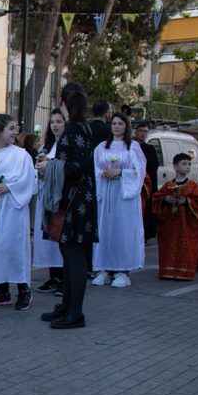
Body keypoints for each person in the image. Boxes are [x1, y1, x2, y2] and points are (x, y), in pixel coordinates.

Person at [36, 82, 97, 329]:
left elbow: (79, 166)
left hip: (74, 200)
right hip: (77, 198)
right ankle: (67, 306)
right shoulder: (83, 127)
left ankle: (75, 312)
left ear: (63, 103)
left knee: (74, 255)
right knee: (69, 254)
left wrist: (48, 166)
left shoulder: (74, 129)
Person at [0, 114, 36, 310]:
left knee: (13, 247)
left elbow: (29, 180)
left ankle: (23, 289)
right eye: (11, 128)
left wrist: (8, 187)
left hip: (13, 209)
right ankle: (3, 291)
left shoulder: (21, 155)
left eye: (16, 128)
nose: (16, 132)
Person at [91, 112, 146, 289]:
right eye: (114, 123)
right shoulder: (101, 147)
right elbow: (95, 168)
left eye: (120, 123)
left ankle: (123, 270)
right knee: (105, 230)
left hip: (124, 194)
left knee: (123, 230)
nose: (116, 126)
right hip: (106, 192)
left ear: (126, 126)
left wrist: (121, 172)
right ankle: (103, 268)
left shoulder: (133, 147)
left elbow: (140, 171)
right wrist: (103, 174)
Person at [152, 153, 198, 281]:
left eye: (189, 164)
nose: (187, 167)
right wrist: (165, 199)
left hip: (186, 224)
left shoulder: (193, 186)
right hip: (170, 224)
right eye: (184, 164)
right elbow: (156, 199)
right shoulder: (168, 185)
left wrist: (186, 202)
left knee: (186, 247)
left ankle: (184, 273)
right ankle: (167, 271)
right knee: (169, 246)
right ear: (175, 167)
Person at [33, 109, 65, 294]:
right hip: (46, 195)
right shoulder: (45, 147)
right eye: (52, 121)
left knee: (58, 234)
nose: (55, 125)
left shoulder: (67, 147)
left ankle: (63, 277)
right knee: (47, 236)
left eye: (59, 121)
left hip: (60, 198)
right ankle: (53, 276)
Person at [135, 123, 159, 240]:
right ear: (136, 132)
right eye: (141, 130)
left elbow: (153, 166)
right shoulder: (131, 146)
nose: (143, 133)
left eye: (145, 131)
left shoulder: (149, 148)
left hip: (145, 186)